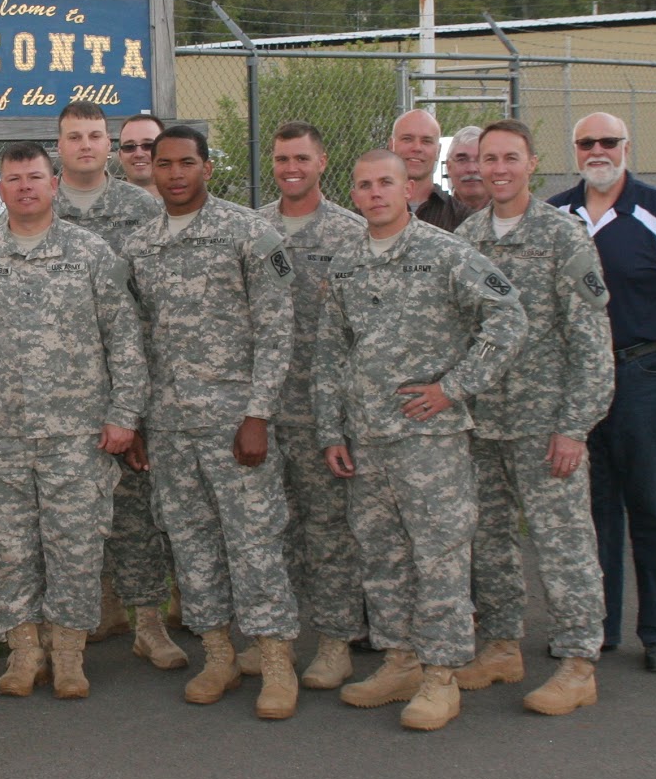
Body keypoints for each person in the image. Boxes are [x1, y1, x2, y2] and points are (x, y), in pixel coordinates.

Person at [315, 149, 525, 731]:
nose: (375, 193)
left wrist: (453, 388)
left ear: (409, 188)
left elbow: (509, 318)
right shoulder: (345, 262)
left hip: (428, 439)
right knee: (382, 554)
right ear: (353, 195)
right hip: (367, 437)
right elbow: (331, 351)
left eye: (386, 182)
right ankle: (400, 660)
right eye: (364, 185)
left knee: (439, 555)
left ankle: (441, 676)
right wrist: (331, 428)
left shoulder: (446, 252)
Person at [0, 141, 147, 700]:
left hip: (78, 437)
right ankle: (24, 652)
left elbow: (124, 338)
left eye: (34, 177)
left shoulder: (92, 253)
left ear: (53, 185)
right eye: (14, 179)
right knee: (8, 550)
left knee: (76, 548)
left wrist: (124, 414)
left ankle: (69, 655)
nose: (24, 187)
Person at [124, 125, 301, 720]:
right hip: (170, 424)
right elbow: (134, 339)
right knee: (192, 543)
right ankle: (218, 654)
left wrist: (259, 414)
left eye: (186, 163)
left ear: (207, 167)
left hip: (234, 422)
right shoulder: (140, 244)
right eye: (164, 164)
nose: (174, 174)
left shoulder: (250, 233)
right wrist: (137, 419)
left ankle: (274, 661)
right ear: (151, 169)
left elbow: (276, 328)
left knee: (254, 541)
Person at [455, 120, 613, 715]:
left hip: (544, 424)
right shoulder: (468, 236)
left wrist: (575, 426)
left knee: (562, 543)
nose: (497, 169)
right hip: (482, 422)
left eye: (510, 158)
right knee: (488, 539)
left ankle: (578, 662)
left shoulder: (562, 236)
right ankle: (501, 646)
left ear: (531, 163)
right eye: (488, 158)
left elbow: (591, 340)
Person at [549, 112, 656, 674]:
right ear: (575, 150)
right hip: (578, 384)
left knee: (652, 509)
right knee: (591, 512)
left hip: (645, 376)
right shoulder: (558, 215)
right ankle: (597, 628)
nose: (597, 150)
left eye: (608, 141)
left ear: (626, 147)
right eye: (586, 142)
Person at [54, 101, 184, 669]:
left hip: (128, 381)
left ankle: (148, 622)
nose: (85, 145)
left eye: (94, 136)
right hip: (57, 389)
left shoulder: (141, 207)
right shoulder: (38, 205)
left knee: (135, 509)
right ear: (59, 145)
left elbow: (156, 299)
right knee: (67, 515)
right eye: (74, 136)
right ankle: (86, 615)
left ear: (108, 145)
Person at [255, 121, 367, 691]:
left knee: (327, 528)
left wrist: (341, 417)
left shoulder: (351, 233)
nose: (291, 168)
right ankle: (277, 638)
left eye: (301, 158)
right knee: (267, 528)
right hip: (262, 407)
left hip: (322, 408)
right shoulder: (254, 229)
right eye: (282, 159)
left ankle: (335, 640)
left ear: (322, 162)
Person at [389, 108, 470, 232]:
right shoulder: (367, 213)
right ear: (391, 145)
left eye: (426, 141)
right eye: (407, 139)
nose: (417, 148)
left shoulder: (463, 219)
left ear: (438, 151)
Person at [116, 113, 165, 198]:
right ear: (120, 155)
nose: (139, 154)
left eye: (148, 145)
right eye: (129, 146)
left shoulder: (187, 201)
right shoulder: (103, 203)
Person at [446, 125, 489, 212]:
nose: (472, 169)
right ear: (449, 167)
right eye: (462, 160)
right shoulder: (434, 215)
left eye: (479, 159)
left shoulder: (511, 213)